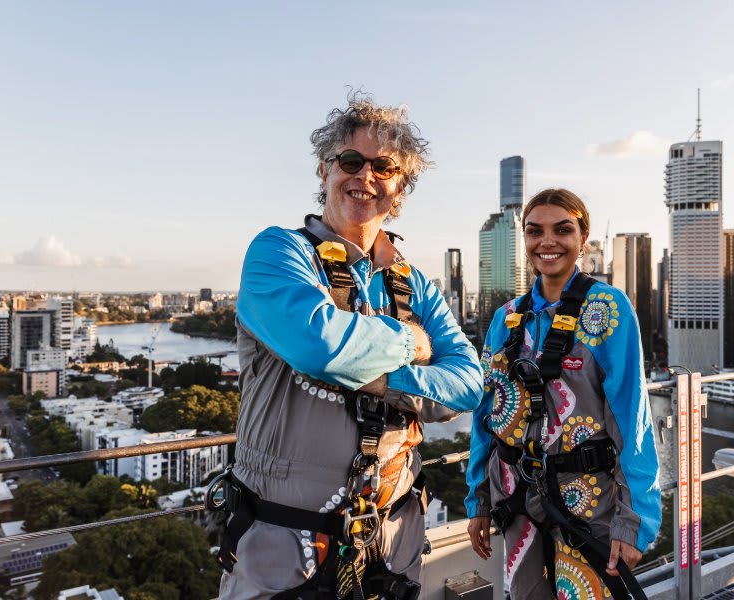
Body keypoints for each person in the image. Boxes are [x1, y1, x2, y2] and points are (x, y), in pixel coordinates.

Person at [216, 93, 483, 599]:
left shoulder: (414, 284)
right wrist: (412, 341)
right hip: (283, 546)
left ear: (400, 188)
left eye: (384, 166)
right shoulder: (278, 252)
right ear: (324, 170)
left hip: (395, 539)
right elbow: (319, 345)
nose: (365, 176)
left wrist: (379, 375)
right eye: (351, 161)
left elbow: (468, 384)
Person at [465, 188, 661, 600]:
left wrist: (634, 521)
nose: (547, 241)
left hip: (587, 496)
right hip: (515, 495)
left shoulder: (607, 309)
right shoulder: (506, 318)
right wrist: (478, 500)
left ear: (583, 237)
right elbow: (488, 412)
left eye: (562, 229)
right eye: (535, 231)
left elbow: (631, 416)